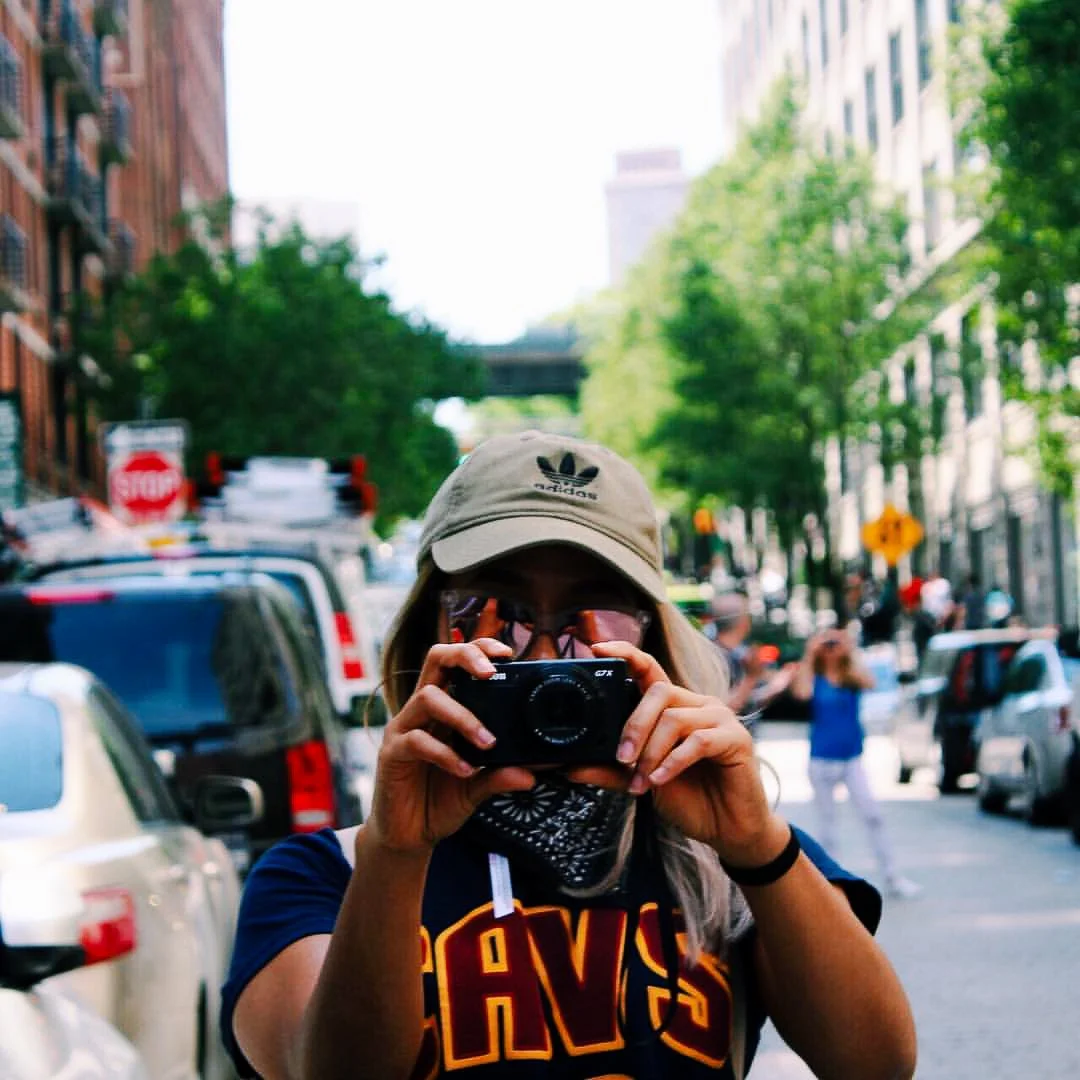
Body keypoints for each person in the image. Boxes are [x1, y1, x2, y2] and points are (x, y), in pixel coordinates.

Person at [220, 431, 916, 1080]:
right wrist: (396, 854)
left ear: (653, 644)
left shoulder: (724, 864)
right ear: (428, 633)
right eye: (497, 612)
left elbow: (875, 1066)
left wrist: (757, 845)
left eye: (596, 619)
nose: (549, 659)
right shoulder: (326, 877)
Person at [790, 629, 922, 901]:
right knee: (828, 825)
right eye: (827, 644)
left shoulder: (851, 677)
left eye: (834, 644)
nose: (831, 648)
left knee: (873, 816)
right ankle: (831, 884)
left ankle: (892, 875)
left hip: (851, 759)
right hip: (822, 759)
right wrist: (810, 652)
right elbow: (801, 692)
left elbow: (870, 682)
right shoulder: (814, 678)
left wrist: (848, 651)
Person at [709, 592, 794, 720]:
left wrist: (774, 685)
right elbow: (724, 709)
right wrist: (752, 678)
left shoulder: (734, 654)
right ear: (744, 621)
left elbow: (750, 701)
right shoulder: (717, 657)